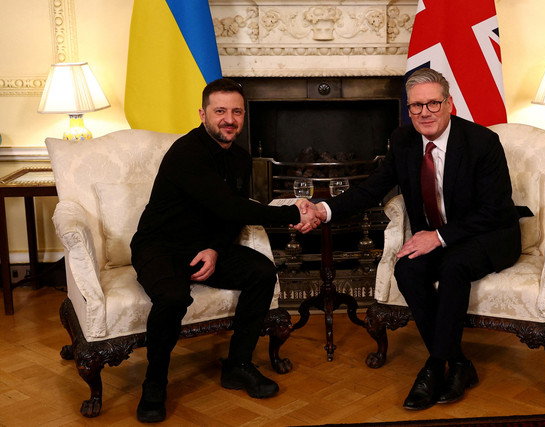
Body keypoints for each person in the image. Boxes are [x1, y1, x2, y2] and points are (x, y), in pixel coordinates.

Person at [304, 68, 521, 410]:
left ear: (449, 104)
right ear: (409, 110)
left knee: (453, 267)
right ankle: (459, 364)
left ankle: (434, 366)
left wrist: (438, 237)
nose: (425, 113)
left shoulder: (481, 142)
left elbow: (495, 210)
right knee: (407, 270)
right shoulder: (403, 141)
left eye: (433, 103)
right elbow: (371, 189)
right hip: (438, 235)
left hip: (489, 234)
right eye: (416, 106)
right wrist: (323, 210)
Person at [130, 78, 320, 423]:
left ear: (244, 116)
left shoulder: (240, 158)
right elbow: (233, 208)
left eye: (236, 111)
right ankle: (154, 383)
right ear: (203, 114)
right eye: (220, 111)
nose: (228, 119)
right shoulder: (187, 153)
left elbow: (228, 217)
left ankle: (238, 365)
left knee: (261, 272)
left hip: (203, 248)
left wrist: (215, 249)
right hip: (159, 246)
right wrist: (295, 212)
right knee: (172, 298)